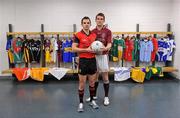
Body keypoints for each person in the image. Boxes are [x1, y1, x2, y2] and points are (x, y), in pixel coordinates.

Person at [72, 16, 99, 112]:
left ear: (90, 24)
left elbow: (98, 46)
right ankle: (81, 103)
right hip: (83, 61)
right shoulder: (77, 35)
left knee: (92, 83)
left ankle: (92, 101)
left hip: (92, 61)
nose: (86, 24)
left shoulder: (94, 35)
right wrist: (86, 50)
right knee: (82, 83)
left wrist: (100, 49)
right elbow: (74, 48)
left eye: (88, 23)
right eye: (84, 23)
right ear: (82, 24)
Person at [86, 13, 112, 106]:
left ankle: (106, 97)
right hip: (94, 56)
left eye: (101, 19)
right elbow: (89, 44)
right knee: (94, 78)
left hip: (103, 56)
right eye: (98, 19)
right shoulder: (92, 31)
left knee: (105, 77)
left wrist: (106, 48)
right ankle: (94, 96)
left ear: (103, 20)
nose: (99, 20)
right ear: (95, 20)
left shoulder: (108, 31)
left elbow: (109, 43)